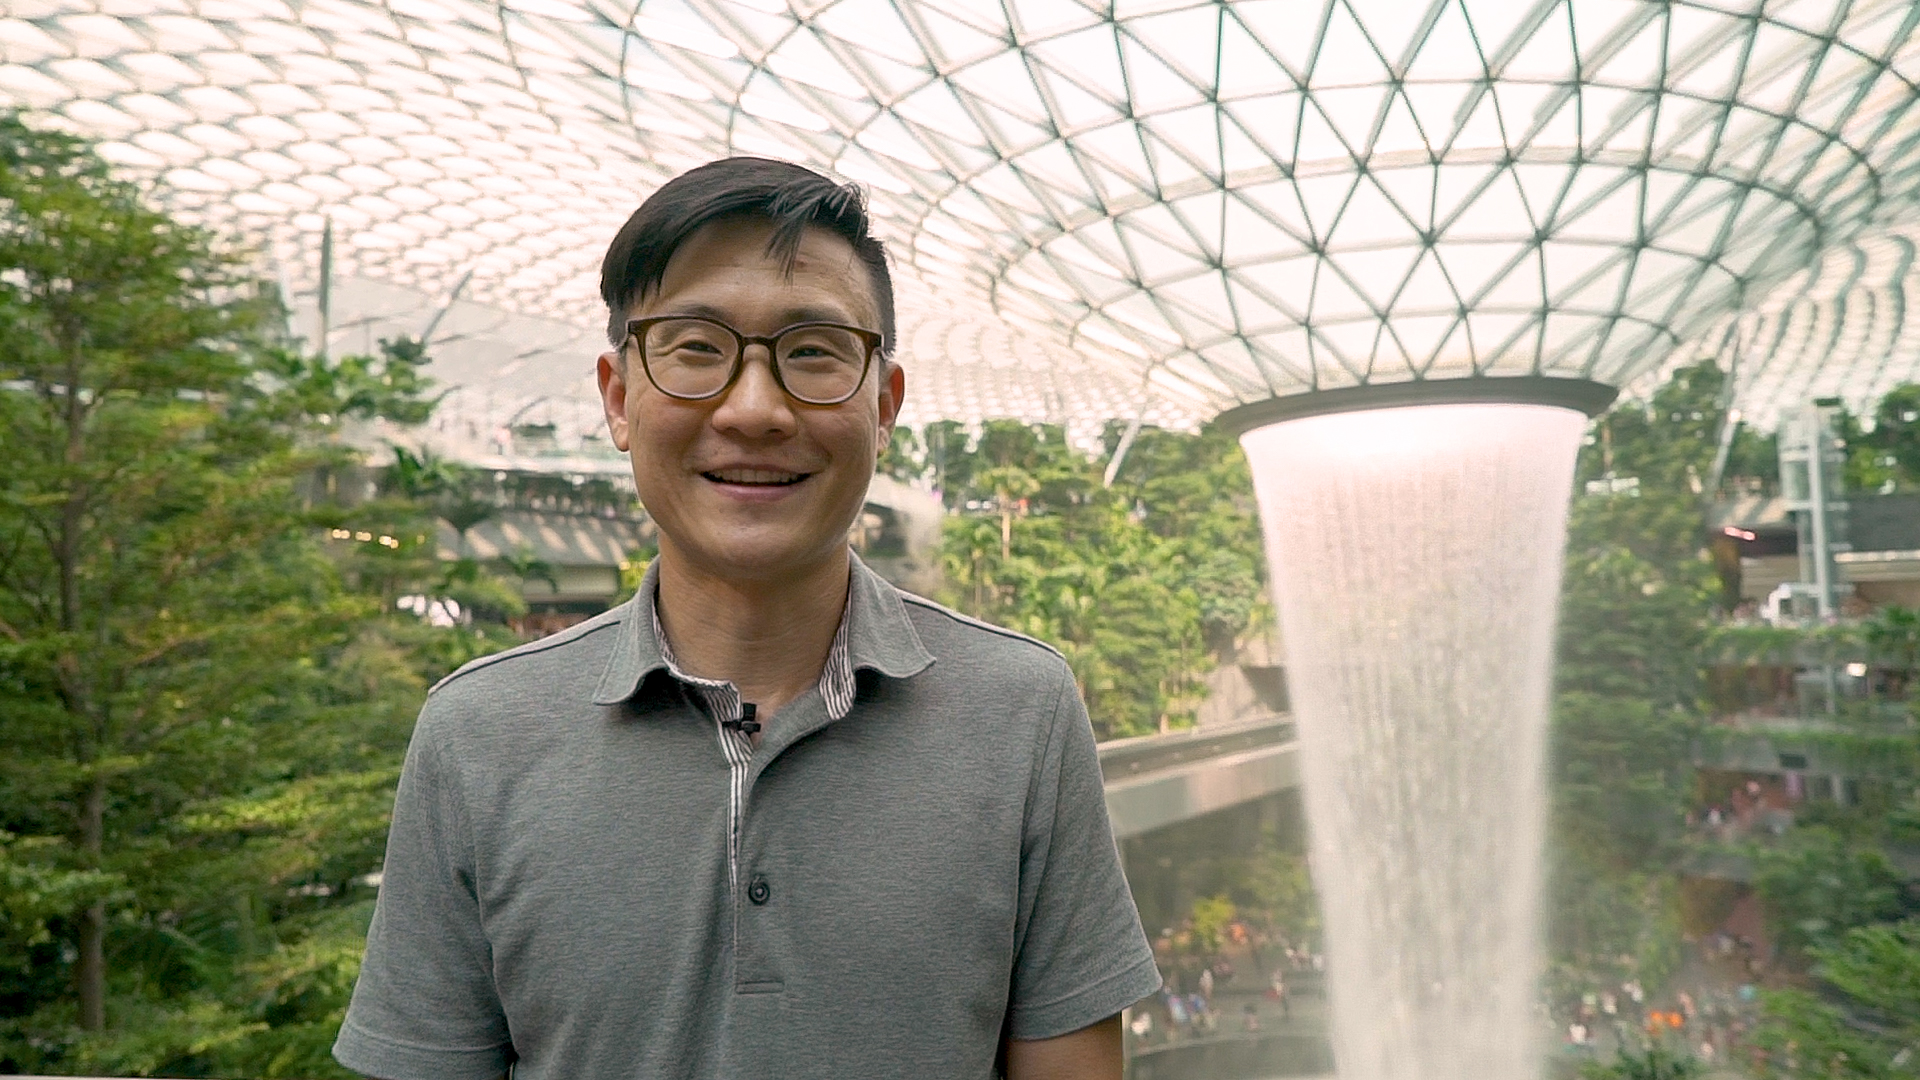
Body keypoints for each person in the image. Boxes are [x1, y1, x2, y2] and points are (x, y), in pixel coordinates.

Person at [331, 157, 1160, 1080]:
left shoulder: (1023, 713)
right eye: (694, 347)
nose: (755, 408)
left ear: (884, 405)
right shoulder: (476, 735)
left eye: (813, 352)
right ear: (617, 396)